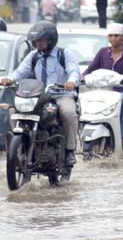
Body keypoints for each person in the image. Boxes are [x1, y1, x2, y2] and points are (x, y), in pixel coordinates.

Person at [0, 21, 79, 166]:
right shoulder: (33, 56)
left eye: (41, 40)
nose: (38, 44)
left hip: (60, 94)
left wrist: (71, 82)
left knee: (68, 112)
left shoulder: (64, 54)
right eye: (36, 41)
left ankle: (69, 151)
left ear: (51, 39)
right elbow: (20, 72)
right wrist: (9, 79)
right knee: (14, 110)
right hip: (37, 96)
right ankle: (22, 144)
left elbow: (73, 71)